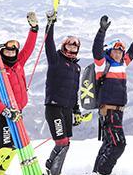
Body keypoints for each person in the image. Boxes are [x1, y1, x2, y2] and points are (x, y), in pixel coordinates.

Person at [0, 12, 39, 175]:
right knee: (5, 147)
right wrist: (5, 110)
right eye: (7, 52)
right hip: (4, 115)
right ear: (2, 52)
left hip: (18, 112)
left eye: (13, 52)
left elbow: (29, 48)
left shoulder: (18, 64)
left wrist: (34, 29)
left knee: (14, 147)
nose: (11, 54)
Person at [92, 15, 133, 175]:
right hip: (108, 110)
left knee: (109, 143)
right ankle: (103, 172)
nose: (119, 53)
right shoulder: (103, 65)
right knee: (118, 144)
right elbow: (96, 50)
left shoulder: (122, 64)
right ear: (109, 51)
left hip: (118, 110)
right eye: (116, 50)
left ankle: (96, 171)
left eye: (121, 51)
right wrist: (102, 31)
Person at [42, 10, 84, 175]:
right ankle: (53, 171)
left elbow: (74, 91)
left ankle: (50, 166)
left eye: (75, 45)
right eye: (69, 44)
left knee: (66, 143)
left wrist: (76, 110)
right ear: (64, 45)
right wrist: (50, 23)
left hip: (67, 109)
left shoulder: (76, 67)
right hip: (54, 107)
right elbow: (48, 42)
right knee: (61, 142)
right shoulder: (56, 59)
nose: (72, 47)